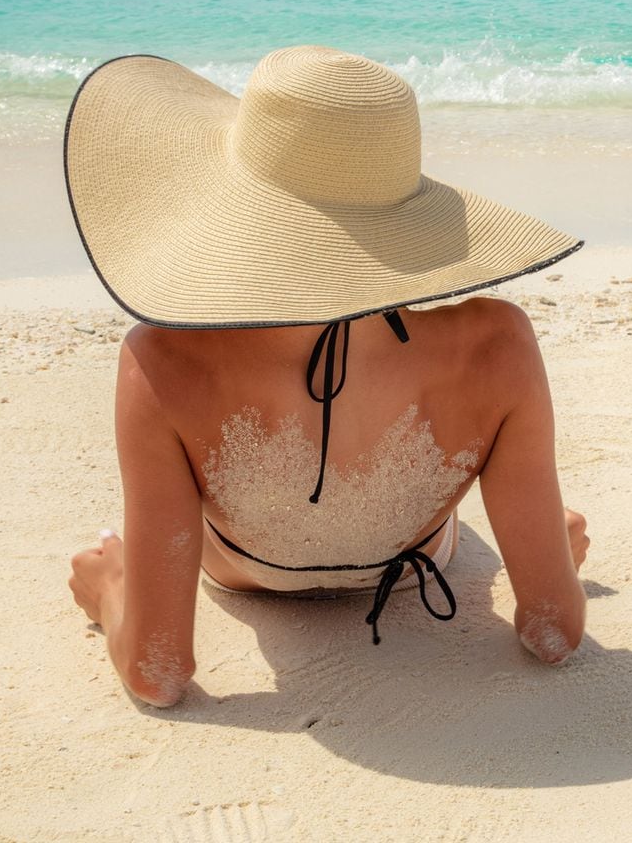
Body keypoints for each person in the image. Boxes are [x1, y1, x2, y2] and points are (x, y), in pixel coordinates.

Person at [62, 46, 589, 708]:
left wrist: (114, 589)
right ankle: (542, 535)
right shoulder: (497, 346)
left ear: (238, 201)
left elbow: (156, 671)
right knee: (530, 528)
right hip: (415, 559)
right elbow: (556, 630)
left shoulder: (162, 361)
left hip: (242, 571)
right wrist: (551, 566)